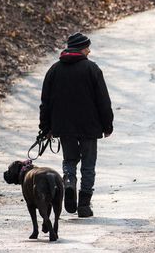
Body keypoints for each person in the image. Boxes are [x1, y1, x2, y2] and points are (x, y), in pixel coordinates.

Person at [39, 32, 113, 217]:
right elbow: (103, 100)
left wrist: (46, 127)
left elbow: (45, 102)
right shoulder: (92, 69)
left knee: (69, 160)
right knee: (88, 165)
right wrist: (107, 125)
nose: (89, 50)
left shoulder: (54, 70)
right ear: (81, 48)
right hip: (90, 126)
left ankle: (69, 182)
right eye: (87, 47)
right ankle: (84, 206)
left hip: (64, 127)